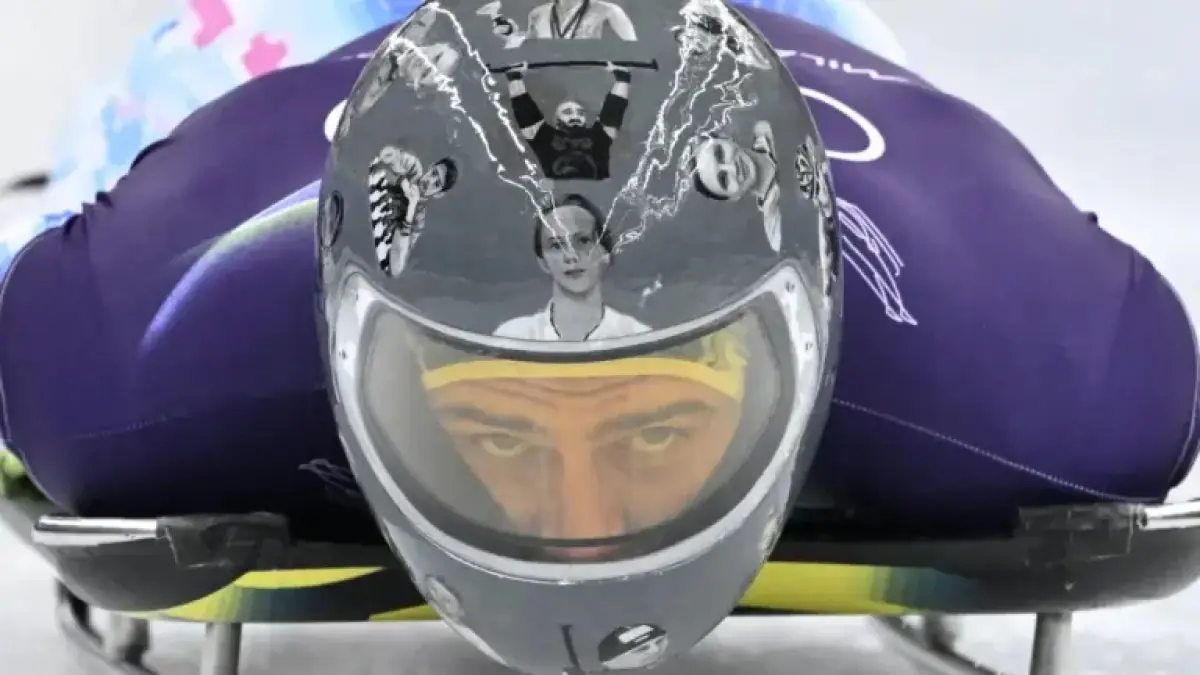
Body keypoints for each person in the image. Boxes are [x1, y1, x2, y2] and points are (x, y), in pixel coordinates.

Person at [0, 1, 1194, 670]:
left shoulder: (1041, 370)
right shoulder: (131, 354)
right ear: (350, 347)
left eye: (656, 425)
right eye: (499, 431)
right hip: (332, 54)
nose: (580, 527)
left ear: (816, 331)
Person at [492, 193, 650, 340]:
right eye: (556, 245)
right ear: (543, 262)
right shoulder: (513, 338)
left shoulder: (637, 337)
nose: (571, 256)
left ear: (606, 253)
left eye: (583, 241)